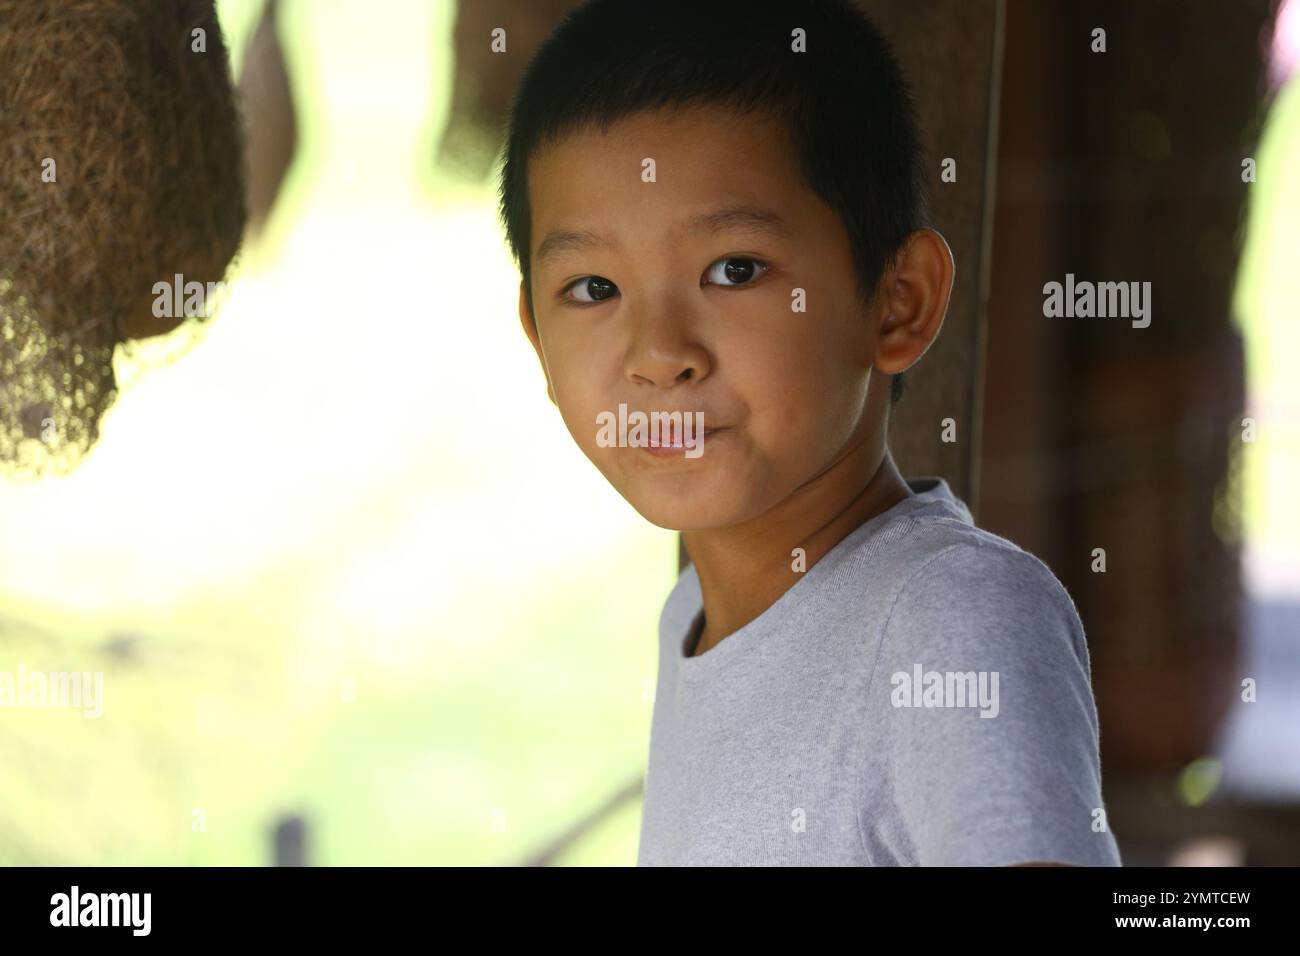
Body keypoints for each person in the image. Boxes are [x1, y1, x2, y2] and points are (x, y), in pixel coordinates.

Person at [498, 0, 1121, 866]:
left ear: (897, 302)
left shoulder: (950, 615)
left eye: (735, 270)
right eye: (594, 288)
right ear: (537, 337)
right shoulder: (694, 615)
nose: (659, 354)